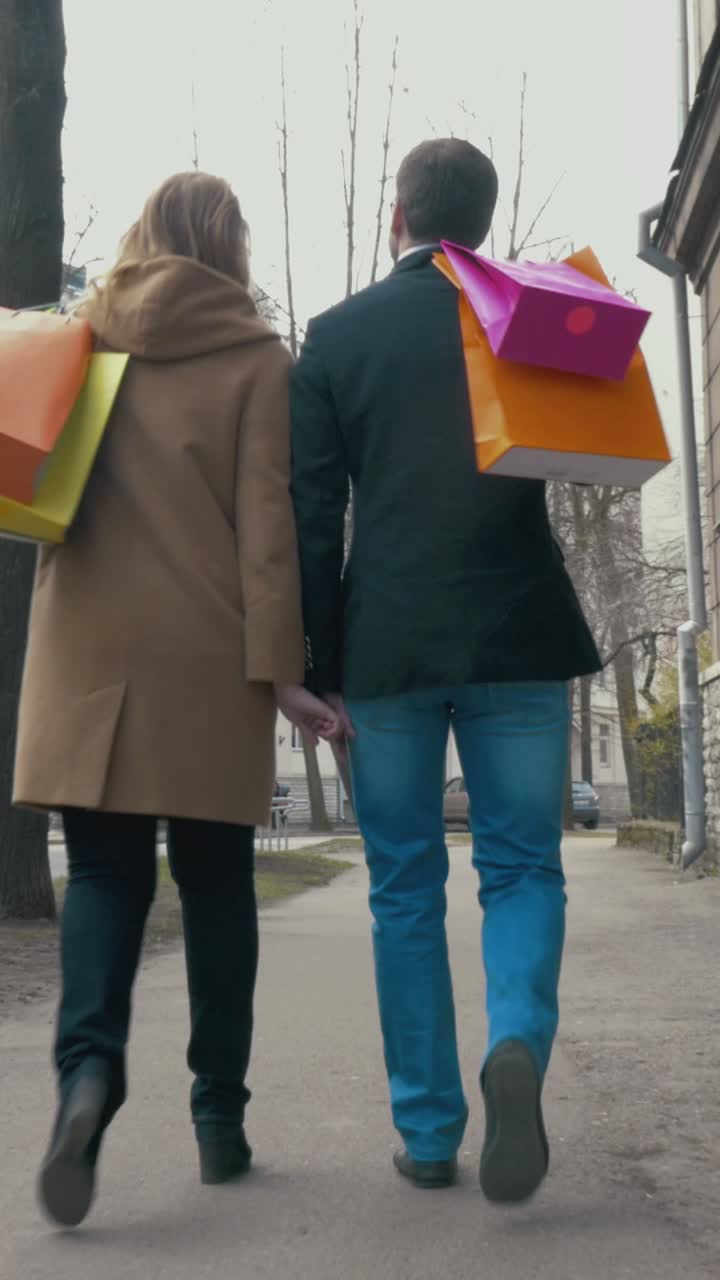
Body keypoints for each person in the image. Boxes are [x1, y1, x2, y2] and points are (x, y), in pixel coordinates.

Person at [13, 172, 336, 1228]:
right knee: (214, 888)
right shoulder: (256, 360)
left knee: (104, 876)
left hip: (86, 656)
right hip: (206, 657)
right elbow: (268, 533)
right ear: (228, 244)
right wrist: (286, 673)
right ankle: (219, 1121)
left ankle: (85, 1079)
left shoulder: (77, 333)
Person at [288, 139, 601, 1202]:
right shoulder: (535, 315)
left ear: (398, 215)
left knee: (405, 890)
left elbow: (312, 511)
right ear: (486, 216)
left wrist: (317, 665)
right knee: (521, 868)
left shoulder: (336, 337)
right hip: (521, 633)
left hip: (390, 646)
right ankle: (515, 1037)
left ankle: (428, 1129)